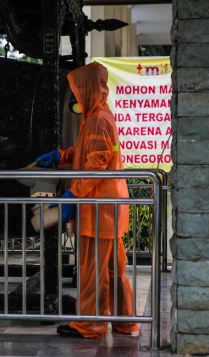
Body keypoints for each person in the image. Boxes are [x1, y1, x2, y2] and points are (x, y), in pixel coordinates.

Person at [35, 62, 138, 338]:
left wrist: (73, 194)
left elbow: (97, 164)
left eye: (78, 91)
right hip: (110, 207)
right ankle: (124, 321)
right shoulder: (100, 115)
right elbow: (89, 152)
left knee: (93, 270)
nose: (75, 97)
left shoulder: (96, 119)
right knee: (114, 270)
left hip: (98, 208)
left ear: (89, 90)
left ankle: (90, 324)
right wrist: (62, 156)